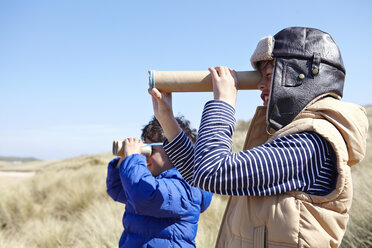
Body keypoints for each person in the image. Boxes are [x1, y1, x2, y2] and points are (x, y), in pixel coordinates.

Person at [149, 27, 369, 248]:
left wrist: (223, 101)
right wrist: (167, 119)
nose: (259, 86)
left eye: (270, 75)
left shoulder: (311, 144)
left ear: (302, 76)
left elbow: (211, 172)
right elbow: (200, 175)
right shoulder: (291, 138)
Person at [106, 116, 212, 248]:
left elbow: (144, 196)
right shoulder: (153, 181)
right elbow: (116, 188)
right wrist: (123, 159)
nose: (145, 156)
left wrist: (133, 158)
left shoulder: (187, 187)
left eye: (150, 150)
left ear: (175, 151)